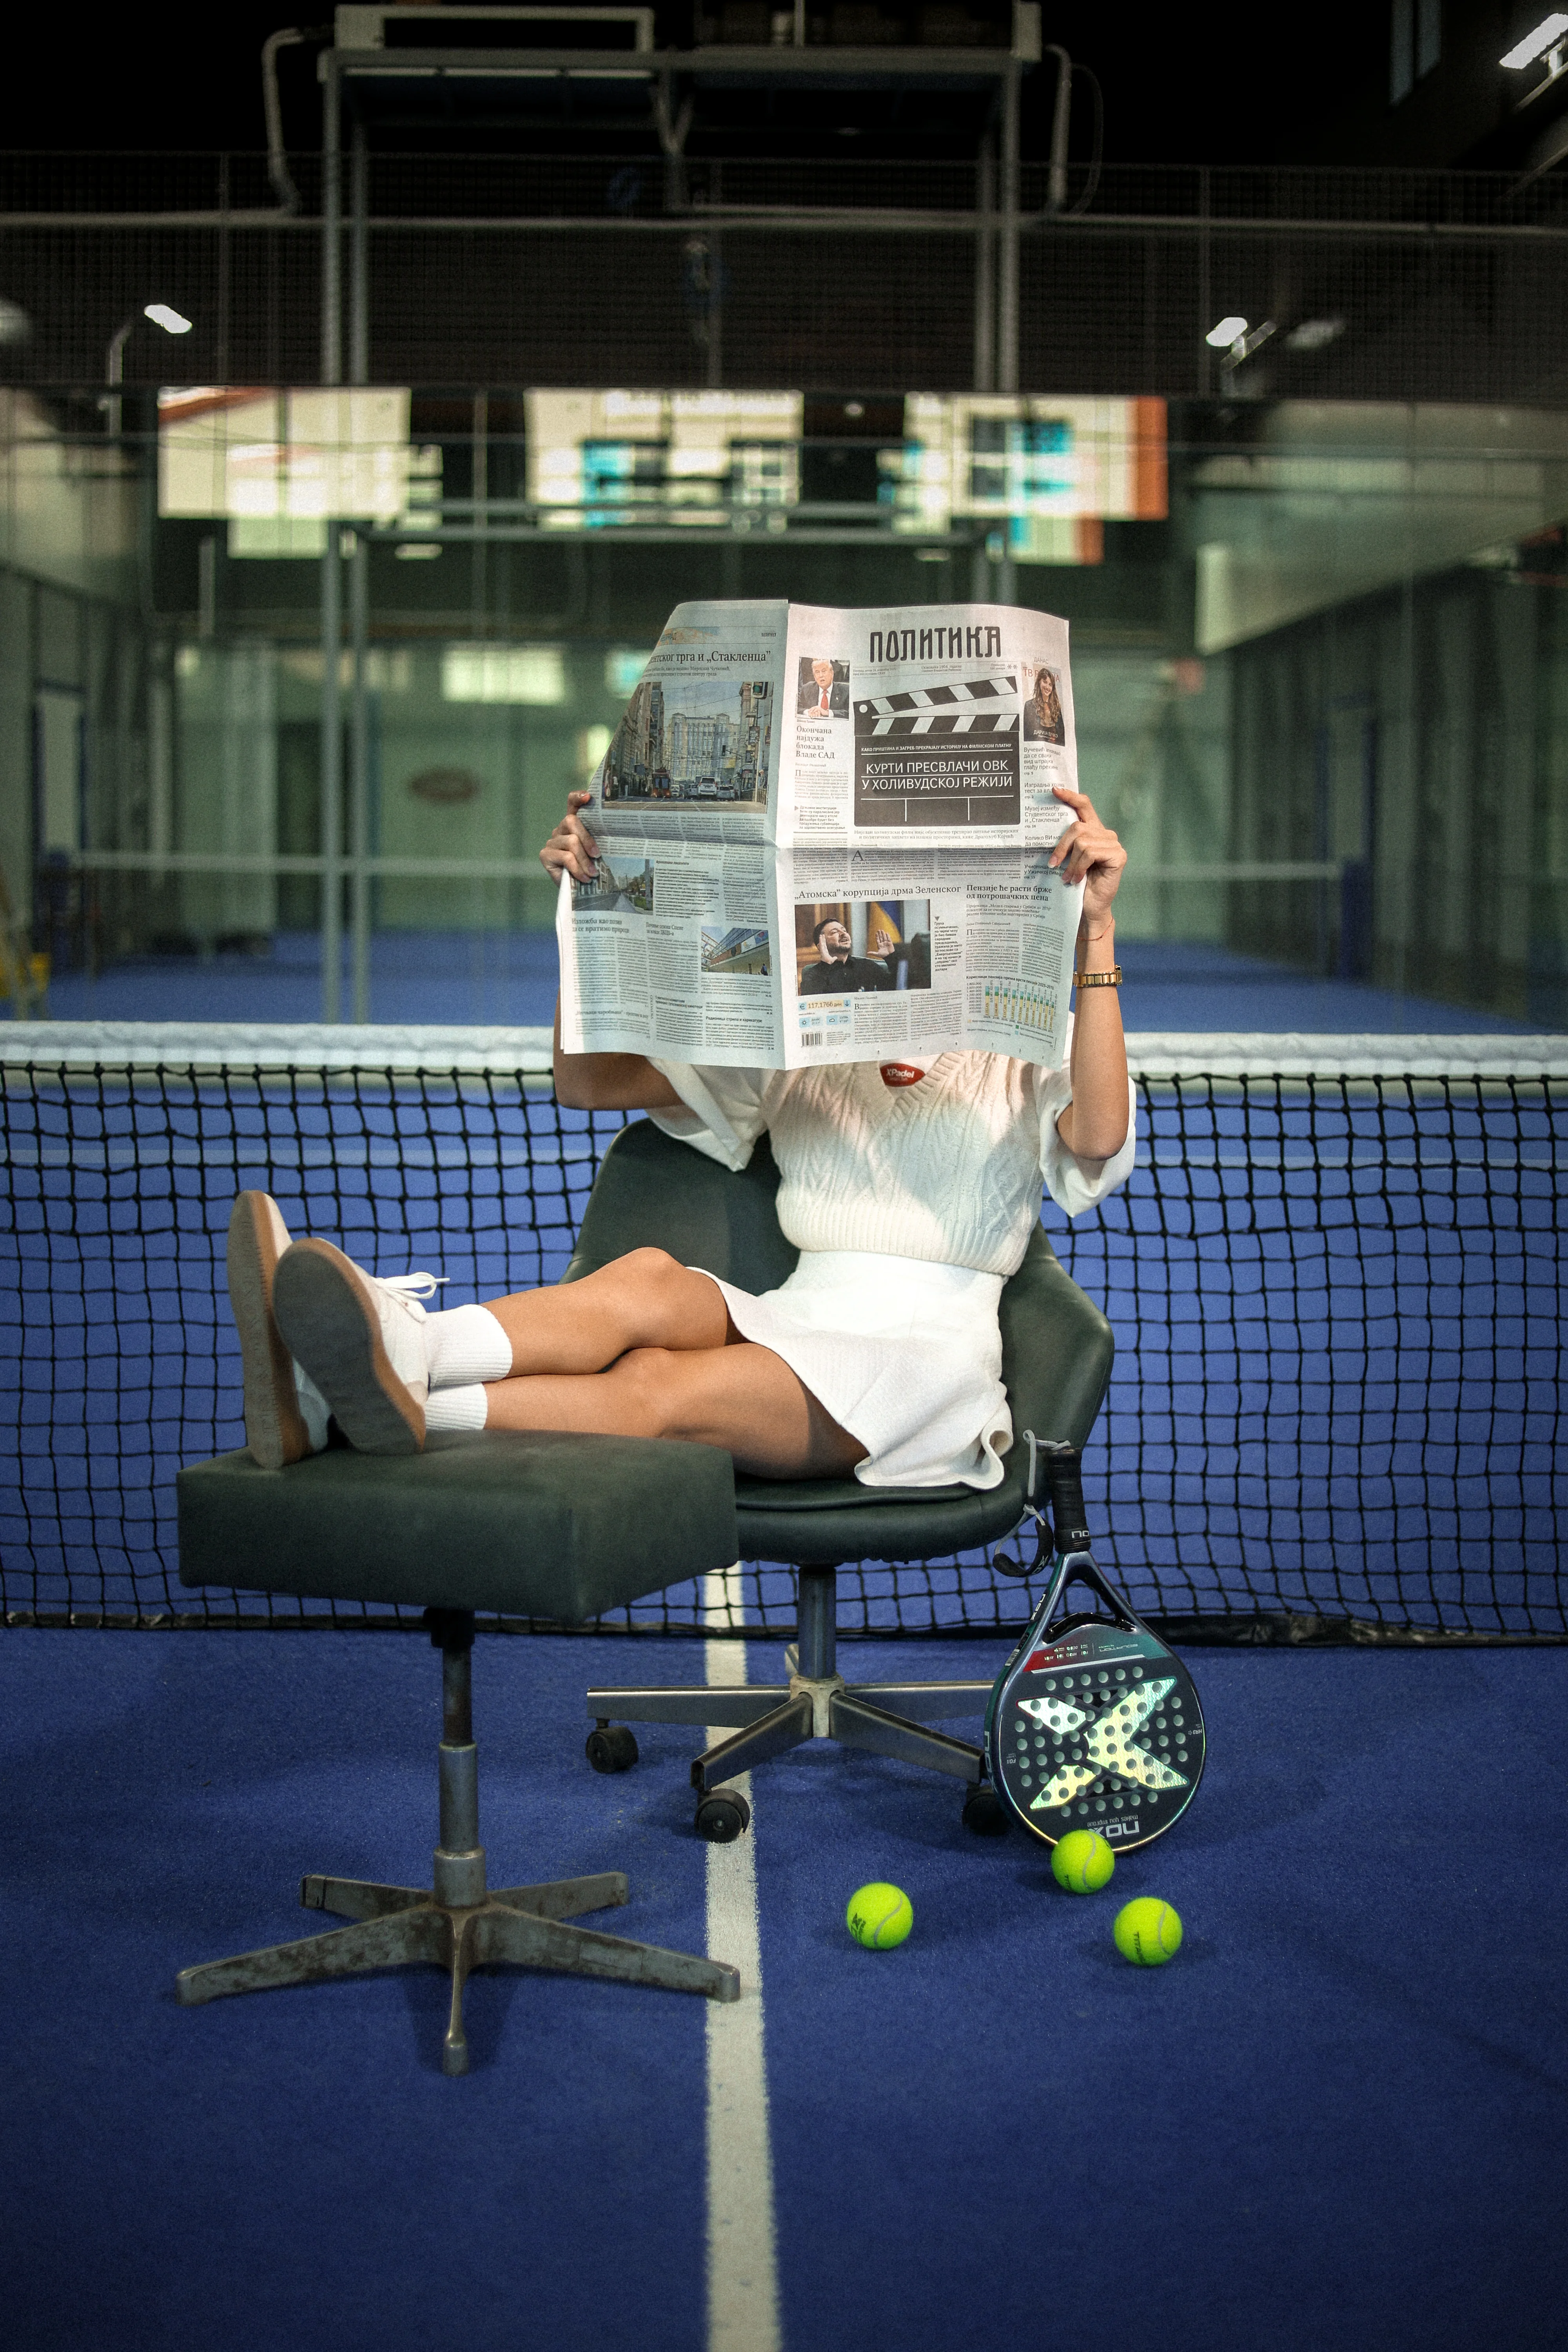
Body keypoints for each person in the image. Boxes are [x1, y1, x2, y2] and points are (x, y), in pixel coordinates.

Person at [227, 781, 1133, 1490]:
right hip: (800, 1308)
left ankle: (357, 1410)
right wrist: (585, 915)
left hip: (921, 1366)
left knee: (662, 1388)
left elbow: (1094, 1138)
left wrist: (1094, 934)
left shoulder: (1025, 1044)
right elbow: (586, 1082)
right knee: (650, 1283)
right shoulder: (804, 1038)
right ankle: (405, 1350)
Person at [797, 915, 895, 997]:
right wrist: (825, 967)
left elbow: (895, 989)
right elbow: (810, 1002)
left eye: (844, 930)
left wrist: (890, 958)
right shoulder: (814, 974)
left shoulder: (866, 966)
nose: (843, 934)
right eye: (835, 932)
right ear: (821, 945)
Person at [1023, 665, 1065, 745]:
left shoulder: (1057, 708)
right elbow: (1027, 736)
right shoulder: (1029, 706)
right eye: (1045, 682)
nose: (1047, 687)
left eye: (1050, 685)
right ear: (1039, 682)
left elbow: (1062, 737)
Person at [798, 656, 848, 720]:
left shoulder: (845, 690)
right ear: (815, 677)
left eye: (824, 671)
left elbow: (850, 712)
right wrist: (809, 712)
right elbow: (798, 708)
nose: (821, 676)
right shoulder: (806, 689)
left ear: (832, 674)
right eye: (817, 672)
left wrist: (827, 713)